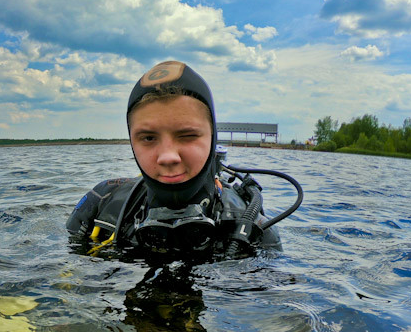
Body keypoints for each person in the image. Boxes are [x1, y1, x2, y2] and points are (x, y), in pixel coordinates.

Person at [67, 60, 282, 260]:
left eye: (187, 135)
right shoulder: (102, 204)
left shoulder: (254, 229)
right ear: (132, 141)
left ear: (213, 137)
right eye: (149, 138)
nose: (168, 157)